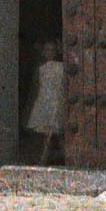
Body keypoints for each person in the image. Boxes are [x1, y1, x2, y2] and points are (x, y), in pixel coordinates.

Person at [21, 36, 66, 164]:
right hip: (44, 102)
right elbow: (37, 88)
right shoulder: (40, 68)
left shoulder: (61, 67)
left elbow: (62, 87)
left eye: (52, 50)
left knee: (53, 134)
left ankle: (44, 161)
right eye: (47, 50)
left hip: (55, 102)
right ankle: (44, 160)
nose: (49, 52)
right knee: (48, 135)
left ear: (56, 51)